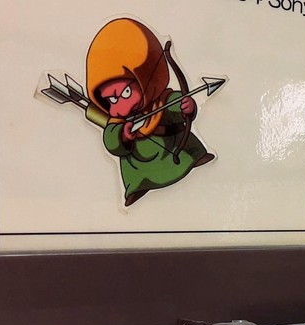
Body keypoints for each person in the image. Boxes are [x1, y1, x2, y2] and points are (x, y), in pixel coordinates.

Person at [85, 18, 214, 206]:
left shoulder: (160, 102)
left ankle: (195, 157)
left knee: (189, 153)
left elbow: (175, 104)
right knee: (135, 175)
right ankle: (137, 188)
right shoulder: (116, 123)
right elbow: (111, 139)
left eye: (126, 92)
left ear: (144, 77)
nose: (121, 106)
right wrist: (123, 137)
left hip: (176, 153)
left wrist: (187, 107)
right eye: (111, 99)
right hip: (140, 168)